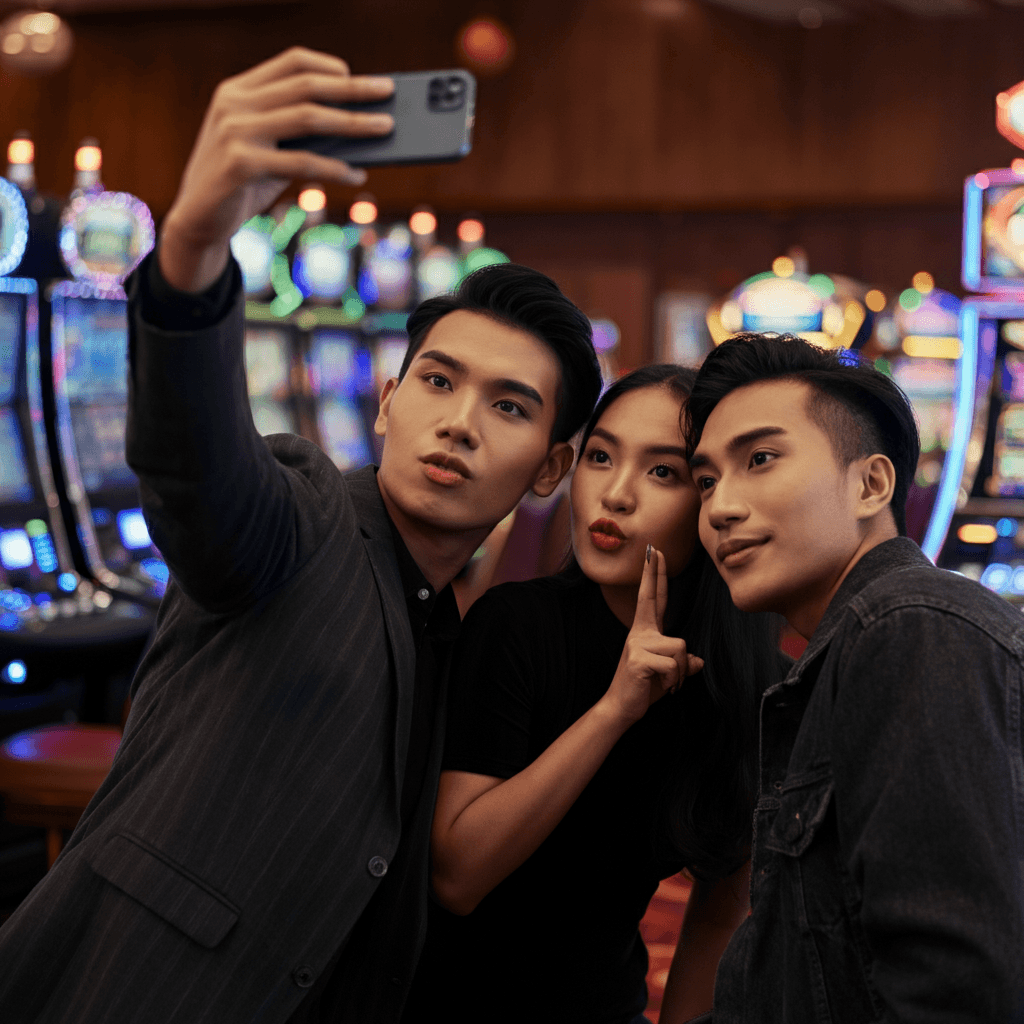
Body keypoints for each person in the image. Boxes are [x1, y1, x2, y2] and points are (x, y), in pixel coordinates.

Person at [0, 48, 603, 1024]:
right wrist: (195, 244)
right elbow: (198, 470)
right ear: (387, 400)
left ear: (547, 470)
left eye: (507, 405)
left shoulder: (464, 627)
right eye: (439, 384)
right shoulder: (304, 518)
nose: (457, 422)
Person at [403, 365, 785, 1024]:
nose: (615, 495)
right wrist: (614, 709)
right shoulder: (516, 624)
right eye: (601, 457)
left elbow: (722, 914)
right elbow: (458, 876)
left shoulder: (747, 678)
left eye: (662, 473)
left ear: (713, 503)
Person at [685, 332, 1024, 1023]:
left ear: (871, 483)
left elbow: (953, 989)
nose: (719, 506)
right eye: (706, 480)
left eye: (760, 459)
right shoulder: (845, 651)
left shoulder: (909, 626)